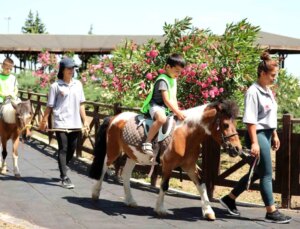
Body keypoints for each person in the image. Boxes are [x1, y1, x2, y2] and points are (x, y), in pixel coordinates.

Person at [219, 52, 292, 224]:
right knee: (266, 173)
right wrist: (254, 142)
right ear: (262, 73)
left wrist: (274, 134)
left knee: (257, 173)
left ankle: (230, 198)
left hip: (266, 134)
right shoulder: (253, 92)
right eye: (273, 75)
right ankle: (271, 211)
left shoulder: (267, 91)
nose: (275, 79)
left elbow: (270, 116)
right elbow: (251, 121)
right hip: (257, 135)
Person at [39, 57, 89, 189]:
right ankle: (64, 177)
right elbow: (49, 106)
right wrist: (44, 120)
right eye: (69, 68)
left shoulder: (78, 84)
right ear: (62, 69)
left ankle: (62, 166)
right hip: (61, 122)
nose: (71, 70)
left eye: (73, 68)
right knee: (63, 148)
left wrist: (85, 121)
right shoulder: (55, 86)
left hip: (75, 123)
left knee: (71, 150)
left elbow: (81, 104)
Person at [141, 53, 186, 156]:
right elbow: (166, 100)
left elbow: (173, 97)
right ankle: (147, 142)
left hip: (165, 108)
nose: (178, 74)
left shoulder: (173, 79)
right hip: (156, 106)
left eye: (180, 72)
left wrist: (177, 111)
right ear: (168, 67)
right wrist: (177, 111)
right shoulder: (163, 80)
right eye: (176, 71)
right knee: (161, 119)